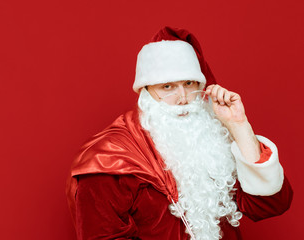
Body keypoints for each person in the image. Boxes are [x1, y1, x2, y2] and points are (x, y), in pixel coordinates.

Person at [66, 26, 293, 240]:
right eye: (167, 87)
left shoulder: (211, 137)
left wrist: (239, 126)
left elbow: (272, 205)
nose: (183, 98)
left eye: (189, 83)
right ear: (145, 92)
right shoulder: (110, 159)